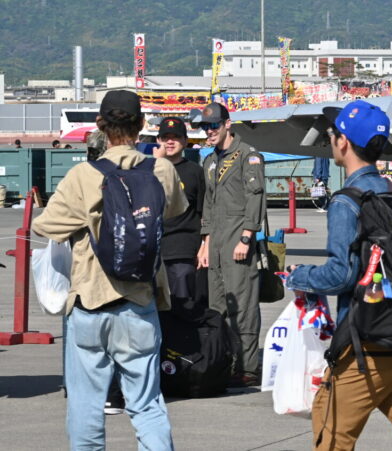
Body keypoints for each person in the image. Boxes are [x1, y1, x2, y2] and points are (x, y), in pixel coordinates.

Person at [286, 99, 392, 451]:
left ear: (342, 142)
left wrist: (298, 276)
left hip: (366, 347)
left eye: (333, 133)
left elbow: (341, 276)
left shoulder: (348, 201)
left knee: (330, 433)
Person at [32, 90, 187, 450]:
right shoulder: (160, 170)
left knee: (86, 406)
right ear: (141, 125)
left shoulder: (83, 175)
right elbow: (176, 209)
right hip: (140, 300)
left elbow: (46, 226)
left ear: (100, 125)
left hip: (90, 301)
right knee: (147, 404)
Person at [194, 102, 265, 387]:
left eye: (213, 126)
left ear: (227, 125)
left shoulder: (248, 157)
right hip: (216, 243)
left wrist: (247, 237)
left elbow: (255, 197)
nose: (208, 132)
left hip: (238, 239)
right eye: (204, 127)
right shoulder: (210, 161)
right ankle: (223, 361)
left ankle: (248, 367)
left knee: (243, 307)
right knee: (217, 306)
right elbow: (209, 205)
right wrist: (205, 243)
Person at [154, 116, 204, 303]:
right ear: (158, 140)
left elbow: (203, 213)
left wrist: (204, 246)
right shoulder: (147, 169)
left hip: (183, 250)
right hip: (155, 249)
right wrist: (154, 163)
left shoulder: (195, 172)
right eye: (165, 137)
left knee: (183, 306)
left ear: (184, 140)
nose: (170, 141)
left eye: (175, 137)